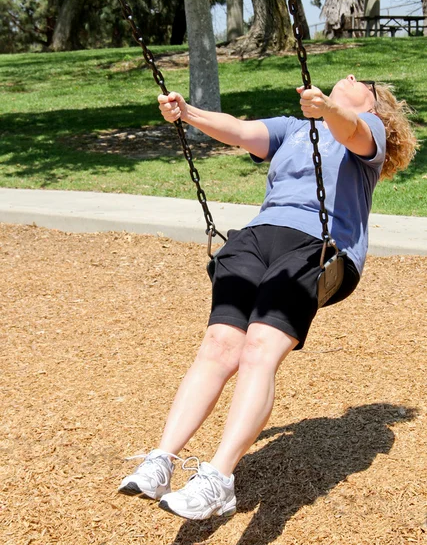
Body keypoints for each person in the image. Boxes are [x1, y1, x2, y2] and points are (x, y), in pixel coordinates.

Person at [118, 76, 418, 521]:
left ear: (376, 105)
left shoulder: (369, 129)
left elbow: (349, 129)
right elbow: (239, 130)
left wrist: (328, 110)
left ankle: (219, 479)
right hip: (258, 237)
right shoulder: (293, 128)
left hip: (319, 247)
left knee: (260, 347)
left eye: (363, 81)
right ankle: (162, 458)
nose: (350, 76)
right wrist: (188, 111)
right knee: (219, 346)